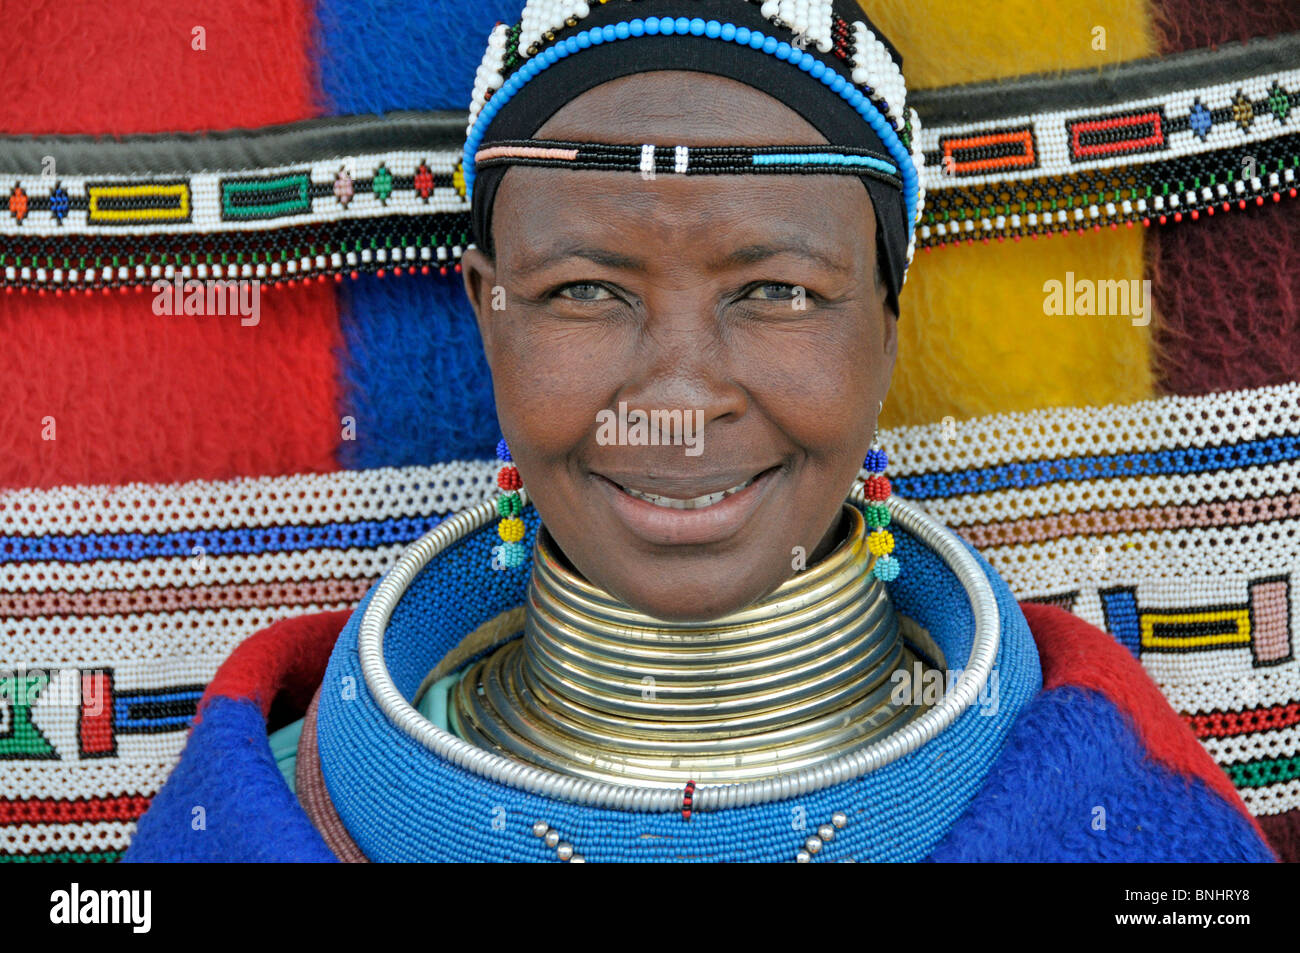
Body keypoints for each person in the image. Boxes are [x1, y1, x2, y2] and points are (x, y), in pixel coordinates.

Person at [125, 0, 1275, 863]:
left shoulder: (1113, 812)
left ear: (886, 320)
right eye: (586, 289)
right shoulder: (273, 804)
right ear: (487, 312)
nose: (677, 394)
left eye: (773, 290)